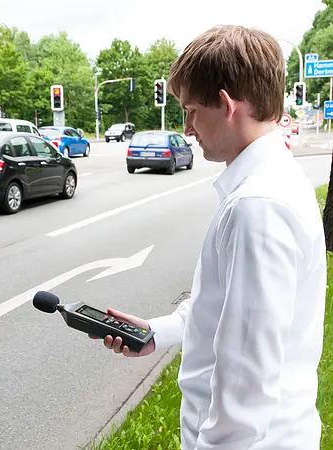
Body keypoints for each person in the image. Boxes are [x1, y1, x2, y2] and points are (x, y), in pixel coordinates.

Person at [91, 25, 327, 449]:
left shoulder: (257, 206)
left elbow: (246, 387)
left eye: (192, 110)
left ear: (226, 104)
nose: (187, 127)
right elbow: (228, 309)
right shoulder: (269, 183)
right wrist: (157, 332)